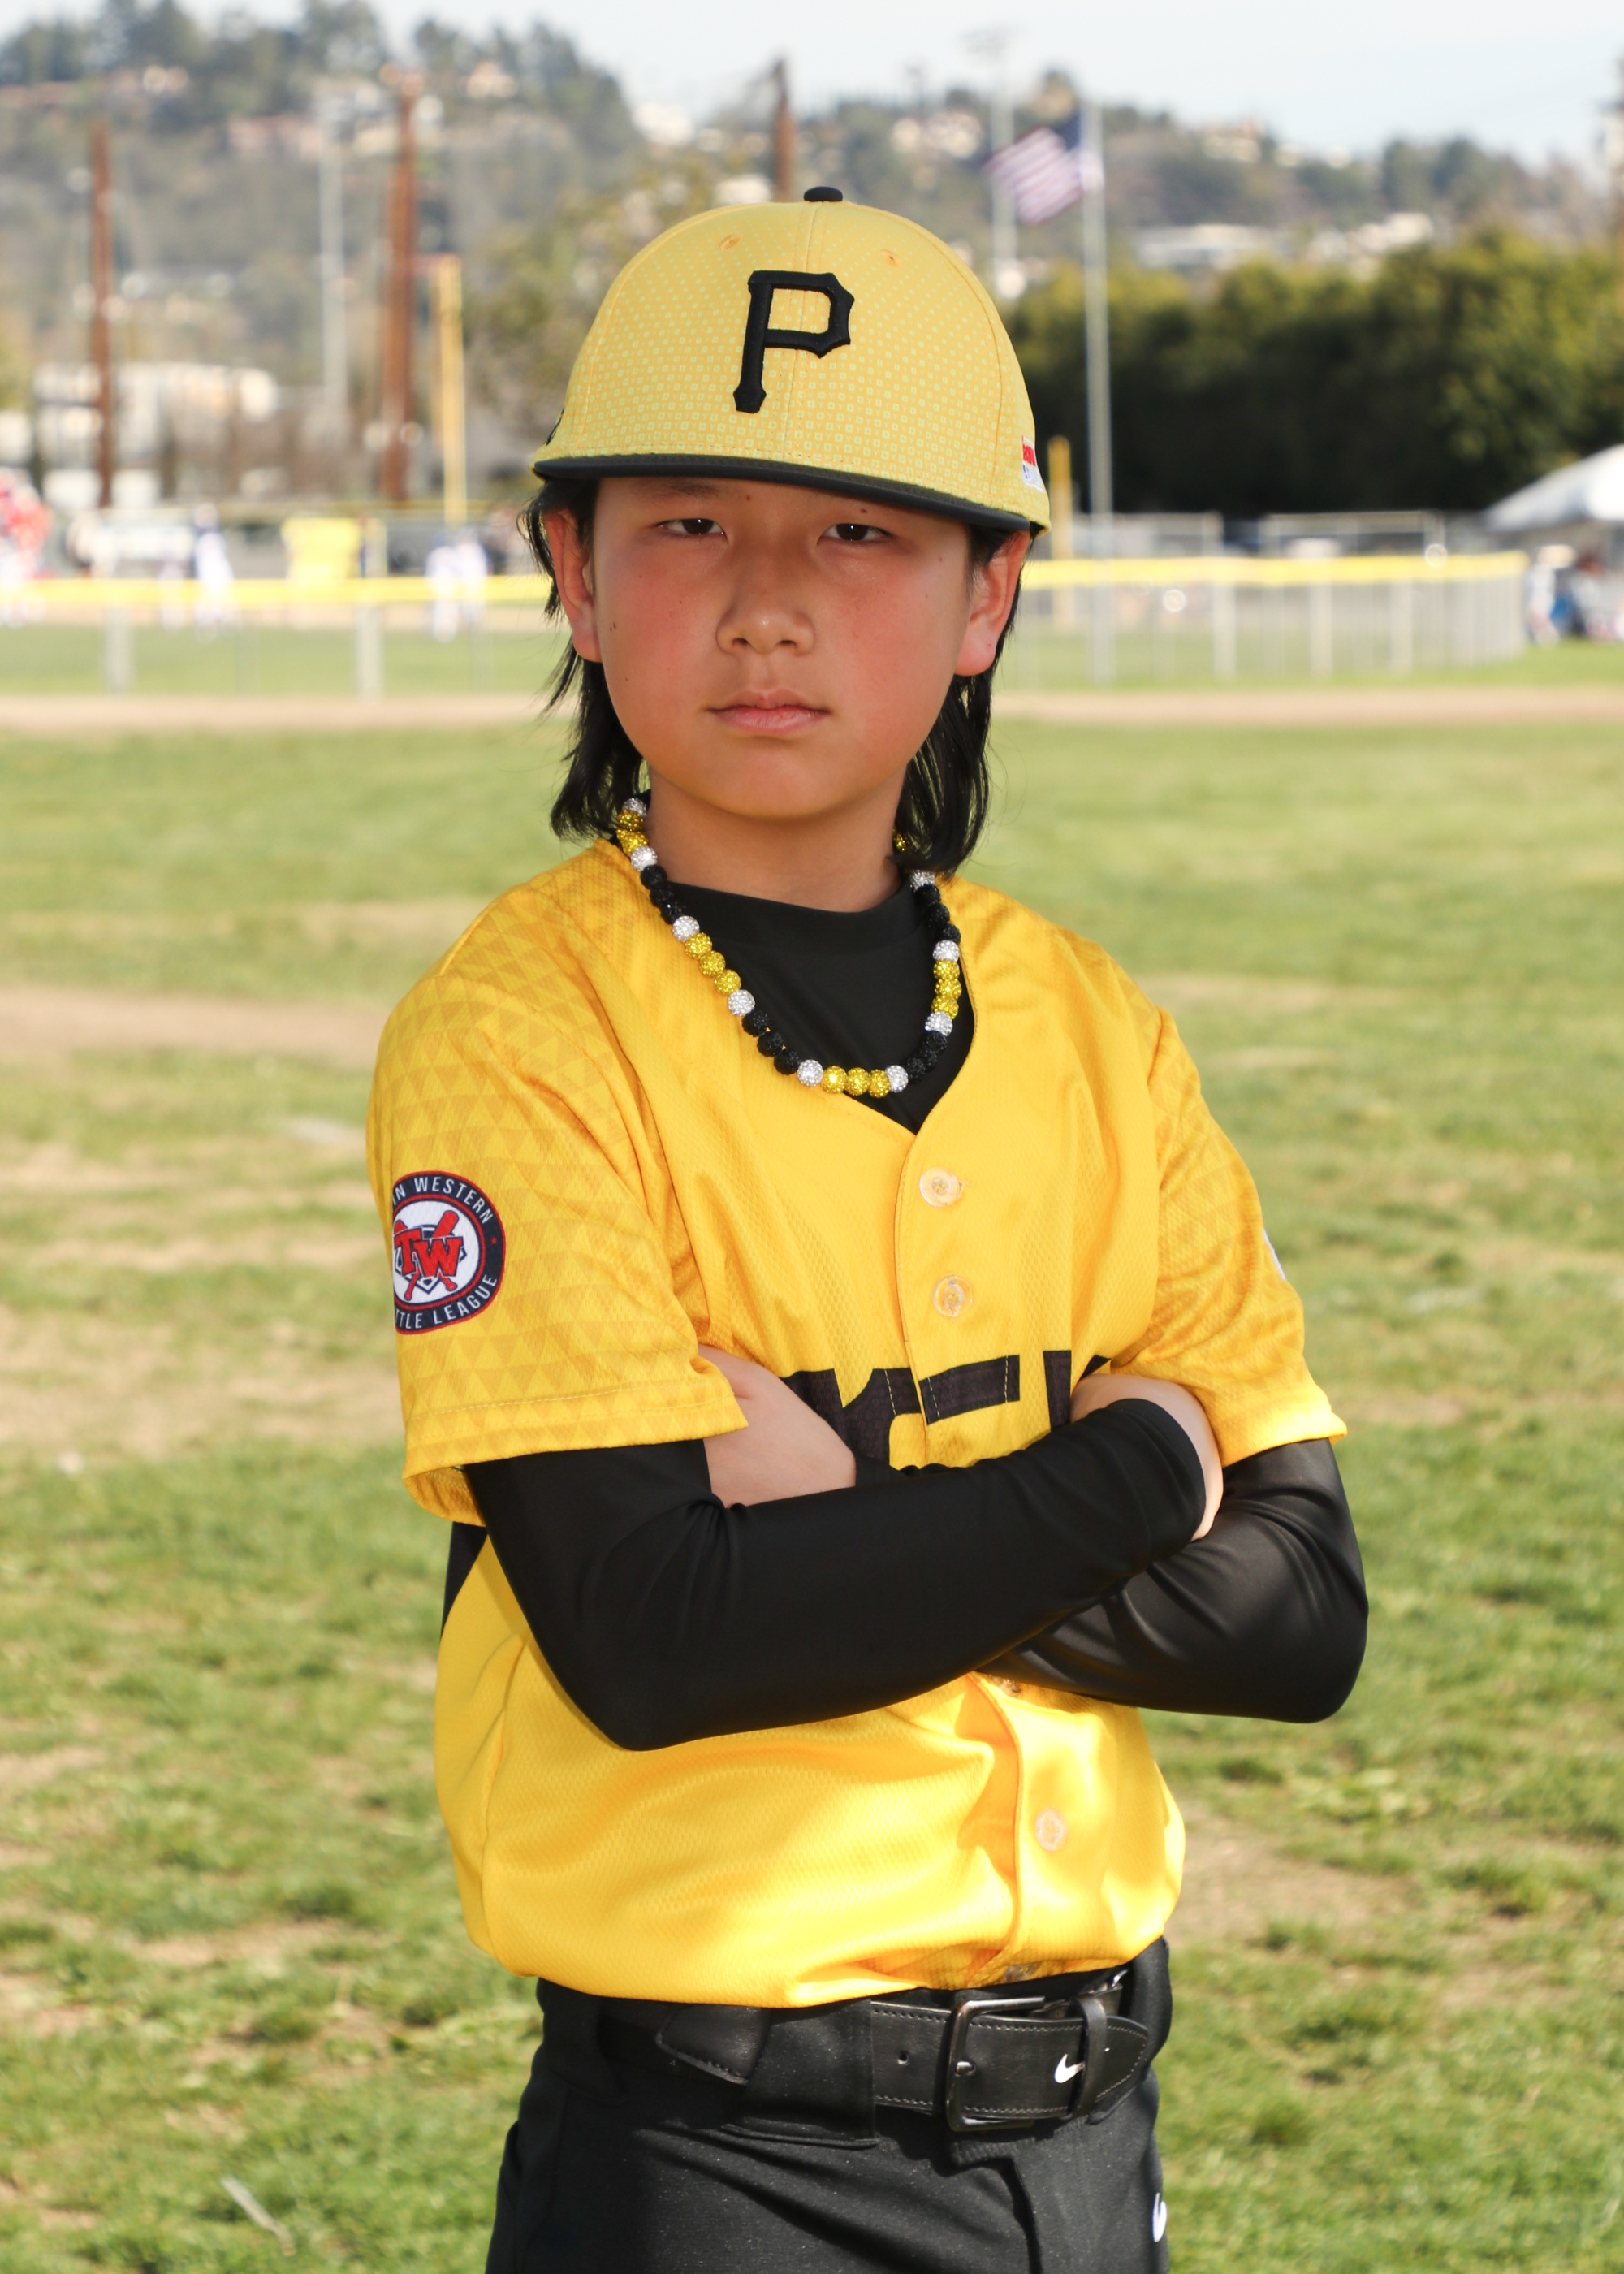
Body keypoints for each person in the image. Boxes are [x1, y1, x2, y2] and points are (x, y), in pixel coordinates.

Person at [367, 192, 1366, 2274]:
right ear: (572, 570)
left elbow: (1299, 1619)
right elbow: (655, 1632)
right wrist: (1139, 1465)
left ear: (987, 592)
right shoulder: (520, 1028)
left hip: (1088, 2138)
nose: (765, 606)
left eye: (856, 532)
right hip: (718, 2157)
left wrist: (846, 1522)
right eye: (688, 524)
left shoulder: (1094, 1027)